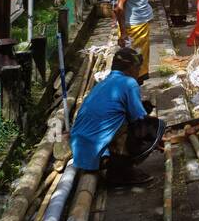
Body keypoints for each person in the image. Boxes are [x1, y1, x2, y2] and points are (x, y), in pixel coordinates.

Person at [70, 47, 165, 187]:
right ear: (131, 68)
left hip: (80, 150)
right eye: (138, 68)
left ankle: (110, 160)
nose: (139, 72)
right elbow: (139, 119)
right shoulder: (129, 83)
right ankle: (120, 171)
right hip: (94, 152)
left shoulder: (103, 83)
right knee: (154, 126)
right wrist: (156, 139)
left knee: (130, 115)